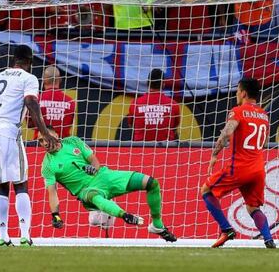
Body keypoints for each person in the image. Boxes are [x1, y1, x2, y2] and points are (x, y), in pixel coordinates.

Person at [0, 45, 57, 247]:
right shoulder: (28, 78)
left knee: (1, 185)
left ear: (14, 60)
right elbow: (31, 103)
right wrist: (45, 132)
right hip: (7, 133)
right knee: (21, 183)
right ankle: (25, 235)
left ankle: (3, 236)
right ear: (28, 62)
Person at [40, 127, 177, 242]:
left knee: (151, 183)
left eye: (46, 137)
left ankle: (157, 225)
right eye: (40, 140)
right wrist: (55, 214)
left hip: (104, 176)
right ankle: (124, 215)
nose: (44, 142)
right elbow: (52, 192)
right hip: (86, 190)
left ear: (56, 135)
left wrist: (93, 169)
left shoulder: (73, 141)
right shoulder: (47, 165)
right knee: (94, 196)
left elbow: (94, 161)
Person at [200, 77, 276, 248]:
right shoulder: (264, 115)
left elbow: (227, 132)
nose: (236, 94)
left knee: (206, 190)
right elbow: (263, 143)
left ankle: (226, 229)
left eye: (237, 91)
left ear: (243, 93)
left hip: (240, 167)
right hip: (258, 169)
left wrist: (214, 155)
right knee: (252, 207)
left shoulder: (238, 111)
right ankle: (268, 239)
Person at [127, 69, 180, 141]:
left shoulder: (135, 103)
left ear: (148, 83)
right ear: (163, 84)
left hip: (140, 149)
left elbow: (130, 125)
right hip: (166, 149)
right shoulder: (173, 104)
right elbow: (174, 126)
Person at [28, 66, 75, 139]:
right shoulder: (70, 101)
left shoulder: (36, 100)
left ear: (43, 80)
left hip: (39, 146)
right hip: (62, 145)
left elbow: (30, 124)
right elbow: (69, 124)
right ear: (60, 80)